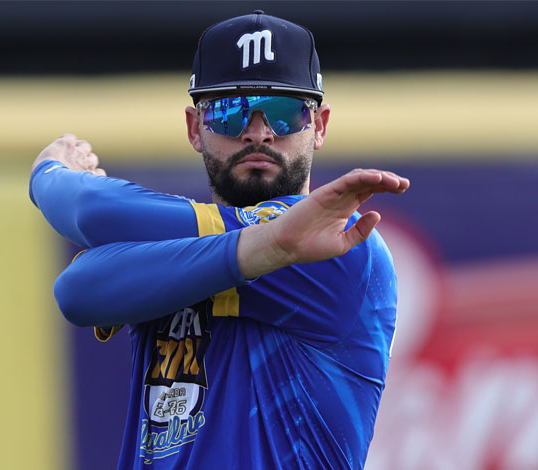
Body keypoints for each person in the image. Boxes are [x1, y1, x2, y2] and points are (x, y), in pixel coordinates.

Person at [29, 10, 409, 470]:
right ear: (195, 128)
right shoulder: (232, 243)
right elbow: (76, 290)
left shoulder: (337, 246)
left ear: (320, 125)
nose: (258, 132)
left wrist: (48, 171)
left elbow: (91, 209)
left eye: (285, 113)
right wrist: (263, 248)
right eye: (231, 112)